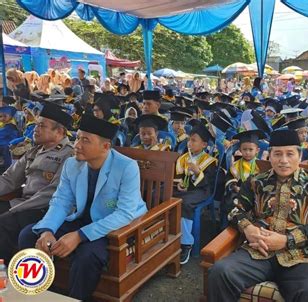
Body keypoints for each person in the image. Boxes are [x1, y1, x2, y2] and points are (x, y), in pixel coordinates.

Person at [17, 114, 147, 301]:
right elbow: (61, 201)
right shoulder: (72, 164)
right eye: (77, 137)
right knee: (29, 235)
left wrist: (79, 236)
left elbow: (124, 213)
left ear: (105, 146)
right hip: (81, 219)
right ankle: (43, 293)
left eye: (85, 140)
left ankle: (76, 298)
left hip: (114, 227)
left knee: (87, 255)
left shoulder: (127, 167)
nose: (77, 144)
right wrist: (47, 230)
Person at [208, 129, 308, 302]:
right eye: (277, 154)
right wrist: (248, 228)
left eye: (290, 154)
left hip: (299, 257)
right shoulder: (256, 181)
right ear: (269, 156)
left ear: (300, 155)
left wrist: (286, 240)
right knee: (220, 272)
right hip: (258, 251)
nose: (283, 160)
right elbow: (234, 209)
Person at [0, 102, 74, 263]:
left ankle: (3, 272)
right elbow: (8, 179)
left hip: (45, 209)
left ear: (59, 131)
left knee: (4, 222)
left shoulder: (69, 155)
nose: (35, 129)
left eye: (42, 126)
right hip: (23, 203)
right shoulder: (34, 151)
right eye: (36, 124)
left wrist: (15, 208)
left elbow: (53, 192)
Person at [174, 122, 217, 264]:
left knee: (185, 203)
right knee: (166, 196)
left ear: (204, 144)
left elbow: (210, 182)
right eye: (189, 140)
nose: (190, 143)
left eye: (194, 140)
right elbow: (178, 176)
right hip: (186, 190)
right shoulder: (183, 158)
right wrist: (179, 183)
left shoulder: (210, 161)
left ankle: (186, 243)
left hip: (202, 191)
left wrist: (198, 172)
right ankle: (170, 235)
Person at [223, 130, 264, 218]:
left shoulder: (260, 165)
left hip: (255, 195)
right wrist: (234, 186)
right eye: (244, 149)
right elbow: (229, 179)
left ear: (257, 150)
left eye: (251, 149)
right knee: (231, 202)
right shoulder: (236, 165)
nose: (247, 152)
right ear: (240, 150)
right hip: (237, 193)